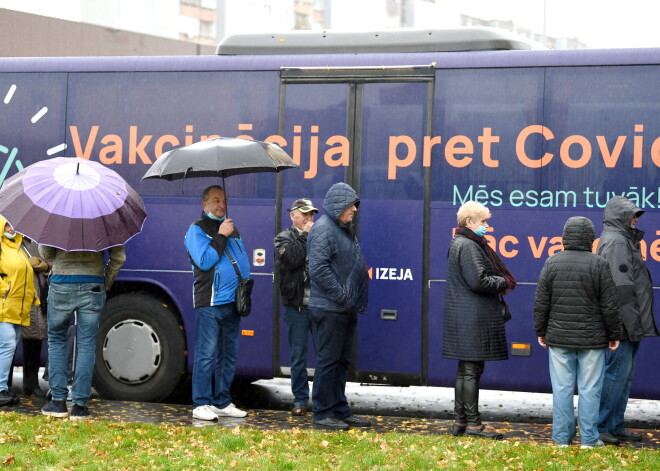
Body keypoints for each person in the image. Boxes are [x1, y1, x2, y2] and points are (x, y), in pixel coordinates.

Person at [534, 216, 622, 448]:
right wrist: (614, 334)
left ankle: (562, 439)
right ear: (589, 238)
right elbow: (609, 305)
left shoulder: (552, 263)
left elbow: (542, 302)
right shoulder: (599, 264)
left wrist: (541, 330)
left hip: (559, 338)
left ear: (565, 237)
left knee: (562, 390)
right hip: (592, 341)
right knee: (590, 390)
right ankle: (589, 440)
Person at [443, 201, 515, 440]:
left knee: (465, 371)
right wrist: (503, 283)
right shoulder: (469, 246)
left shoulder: (460, 243)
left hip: (465, 316)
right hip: (473, 317)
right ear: (469, 223)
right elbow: (479, 281)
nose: (487, 225)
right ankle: (473, 424)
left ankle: (460, 421)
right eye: (483, 221)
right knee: (471, 371)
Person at [306, 182, 370, 431]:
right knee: (328, 361)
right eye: (351, 204)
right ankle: (322, 413)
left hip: (343, 308)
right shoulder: (324, 229)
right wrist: (343, 295)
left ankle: (339, 410)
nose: (354, 209)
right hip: (330, 308)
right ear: (337, 205)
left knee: (341, 361)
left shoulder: (343, 229)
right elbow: (318, 269)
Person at [596, 196, 659, 445]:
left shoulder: (624, 241)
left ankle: (615, 425)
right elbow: (618, 288)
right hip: (623, 323)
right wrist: (619, 326)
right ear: (619, 216)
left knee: (623, 376)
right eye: (632, 215)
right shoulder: (616, 243)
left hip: (631, 321)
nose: (635, 219)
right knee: (615, 375)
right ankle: (602, 427)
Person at [185, 185, 250, 421]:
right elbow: (205, 261)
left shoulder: (231, 228)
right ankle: (201, 403)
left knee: (228, 355)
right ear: (204, 205)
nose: (221, 204)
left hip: (232, 301)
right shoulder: (196, 230)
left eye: (223, 200)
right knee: (205, 354)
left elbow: (241, 259)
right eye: (215, 200)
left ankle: (222, 402)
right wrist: (221, 234)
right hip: (210, 302)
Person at [39, 242, 125, 419]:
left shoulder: (60, 216)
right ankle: (80, 405)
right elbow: (119, 257)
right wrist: (105, 282)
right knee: (86, 344)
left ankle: (58, 402)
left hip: (61, 284)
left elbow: (46, 252)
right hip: (93, 284)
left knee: (56, 340)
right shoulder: (104, 218)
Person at [274, 198, 319, 416]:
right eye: (305, 214)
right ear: (293, 215)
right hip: (297, 307)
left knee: (325, 356)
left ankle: (321, 400)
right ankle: (300, 399)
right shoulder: (283, 238)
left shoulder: (318, 236)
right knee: (298, 356)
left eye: (312, 214)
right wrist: (305, 236)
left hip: (320, 306)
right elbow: (290, 259)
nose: (310, 218)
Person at [0, 217, 40, 406]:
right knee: (7, 345)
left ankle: (3, 389)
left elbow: (25, 274)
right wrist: (3, 290)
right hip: (4, 306)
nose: (11, 227)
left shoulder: (19, 248)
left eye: (13, 224)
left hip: (19, 309)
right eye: (7, 224)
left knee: (9, 346)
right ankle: (0, 389)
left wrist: (34, 296)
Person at [20, 238, 50, 397]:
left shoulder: (39, 241)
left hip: (39, 296)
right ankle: (6, 386)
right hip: (21, 295)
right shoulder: (12, 242)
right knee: (10, 344)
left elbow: (51, 262)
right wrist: (26, 264)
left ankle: (31, 384)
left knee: (35, 340)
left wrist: (44, 265)